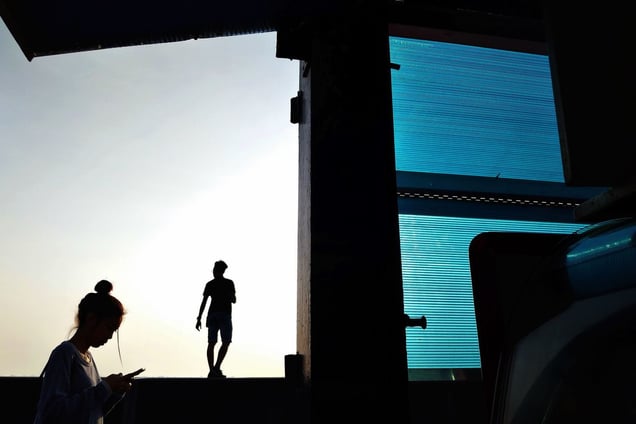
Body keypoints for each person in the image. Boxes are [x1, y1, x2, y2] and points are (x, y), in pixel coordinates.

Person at [34, 280, 144, 424]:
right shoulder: (64, 354)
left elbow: (92, 412)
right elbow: (53, 412)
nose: (110, 336)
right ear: (91, 319)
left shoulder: (88, 358)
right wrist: (105, 388)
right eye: (108, 328)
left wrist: (114, 392)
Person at [196, 260, 236, 378]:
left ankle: (213, 370)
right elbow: (234, 300)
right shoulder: (229, 283)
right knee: (225, 342)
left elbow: (204, 302)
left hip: (213, 315)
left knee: (211, 343)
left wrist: (199, 318)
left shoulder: (210, 284)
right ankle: (216, 368)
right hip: (224, 315)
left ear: (216, 270)